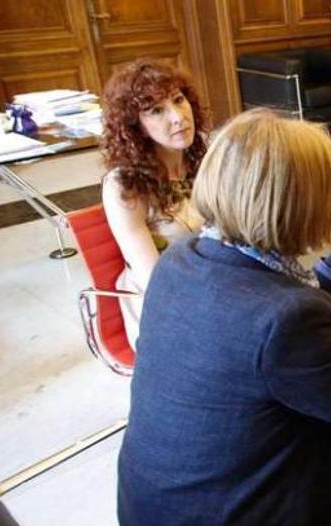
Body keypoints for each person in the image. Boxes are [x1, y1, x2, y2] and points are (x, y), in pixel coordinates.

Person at [117, 111, 331, 526]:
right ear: (310, 206)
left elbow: (258, 318)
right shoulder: (289, 318)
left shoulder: (182, 260)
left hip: (157, 521)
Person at [100, 59, 207, 348]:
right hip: (166, 305)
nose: (177, 117)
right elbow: (154, 281)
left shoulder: (206, 161)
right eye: (156, 110)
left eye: (178, 100)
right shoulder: (124, 186)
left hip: (217, 285)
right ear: (136, 127)